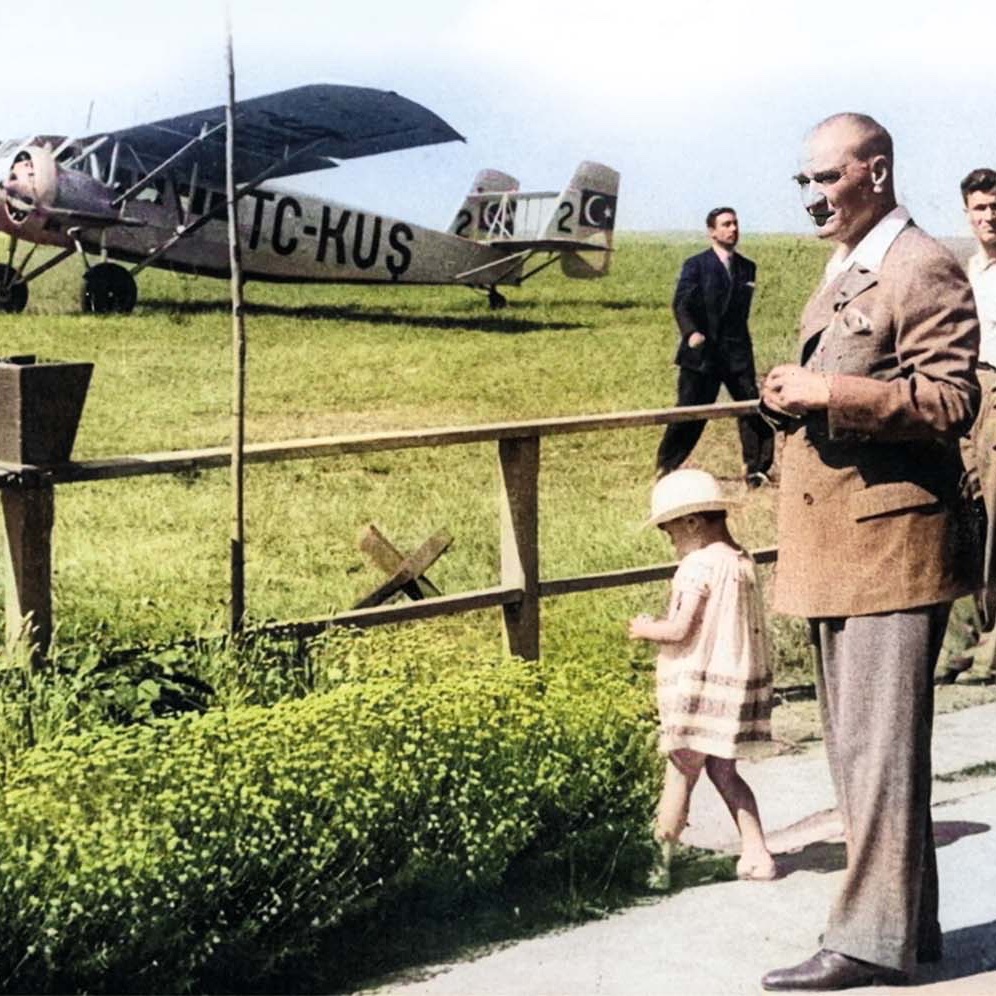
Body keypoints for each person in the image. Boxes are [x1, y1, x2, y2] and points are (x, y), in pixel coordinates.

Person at [759, 113, 980, 991]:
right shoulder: (851, 265)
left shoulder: (918, 264)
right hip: (842, 546)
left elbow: (952, 398)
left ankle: (862, 941)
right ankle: (907, 933)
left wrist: (830, 390)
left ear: (876, 173)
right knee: (862, 752)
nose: (813, 197)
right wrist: (792, 397)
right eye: (804, 182)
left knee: (879, 754)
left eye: (826, 178)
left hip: (892, 544)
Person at [628, 468, 775, 891]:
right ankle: (757, 852)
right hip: (733, 684)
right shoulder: (741, 560)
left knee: (680, 770)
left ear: (692, 523)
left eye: (670, 531)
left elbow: (680, 629)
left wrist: (645, 628)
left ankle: (658, 863)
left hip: (699, 687)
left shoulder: (697, 565)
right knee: (725, 772)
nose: (670, 540)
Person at [655, 208, 774, 486]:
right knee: (689, 412)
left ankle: (756, 471)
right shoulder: (696, 265)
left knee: (752, 410)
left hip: (737, 354)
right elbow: (681, 303)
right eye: (726, 224)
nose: (733, 229)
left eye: (735, 223)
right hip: (702, 354)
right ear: (712, 232)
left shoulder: (747, 267)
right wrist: (691, 332)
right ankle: (666, 466)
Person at [945, 167, 996, 683]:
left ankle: (992, 650)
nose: (989, 216)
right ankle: (963, 641)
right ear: (967, 213)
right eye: (980, 207)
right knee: (965, 514)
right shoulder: (970, 271)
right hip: (968, 393)